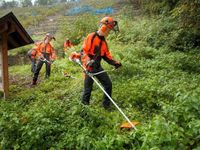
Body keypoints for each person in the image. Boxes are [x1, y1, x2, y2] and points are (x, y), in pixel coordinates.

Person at [80, 16, 122, 110]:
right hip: (89, 67)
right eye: (109, 30)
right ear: (104, 28)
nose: (109, 32)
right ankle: (84, 109)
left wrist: (115, 63)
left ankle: (106, 106)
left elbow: (106, 56)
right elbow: (83, 51)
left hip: (97, 67)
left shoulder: (103, 42)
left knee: (108, 84)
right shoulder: (91, 36)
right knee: (88, 90)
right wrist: (87, 61)